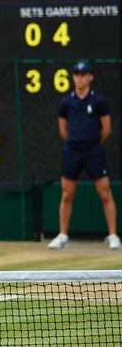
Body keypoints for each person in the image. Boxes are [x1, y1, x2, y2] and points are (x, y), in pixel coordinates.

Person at [48, 61, 119, 250]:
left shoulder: (99, 101)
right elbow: (63, 129)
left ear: (90, 77)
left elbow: (107, 128)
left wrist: (92, 143)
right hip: (72, 150)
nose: (79, 78)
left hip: (93, 150)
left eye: (83, 74)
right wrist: (76, 141)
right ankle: (63, 235)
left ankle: (112, 235)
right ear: (73, 77)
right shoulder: (66, 103)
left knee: (104, 192)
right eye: (77, 74)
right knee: (67, 193)